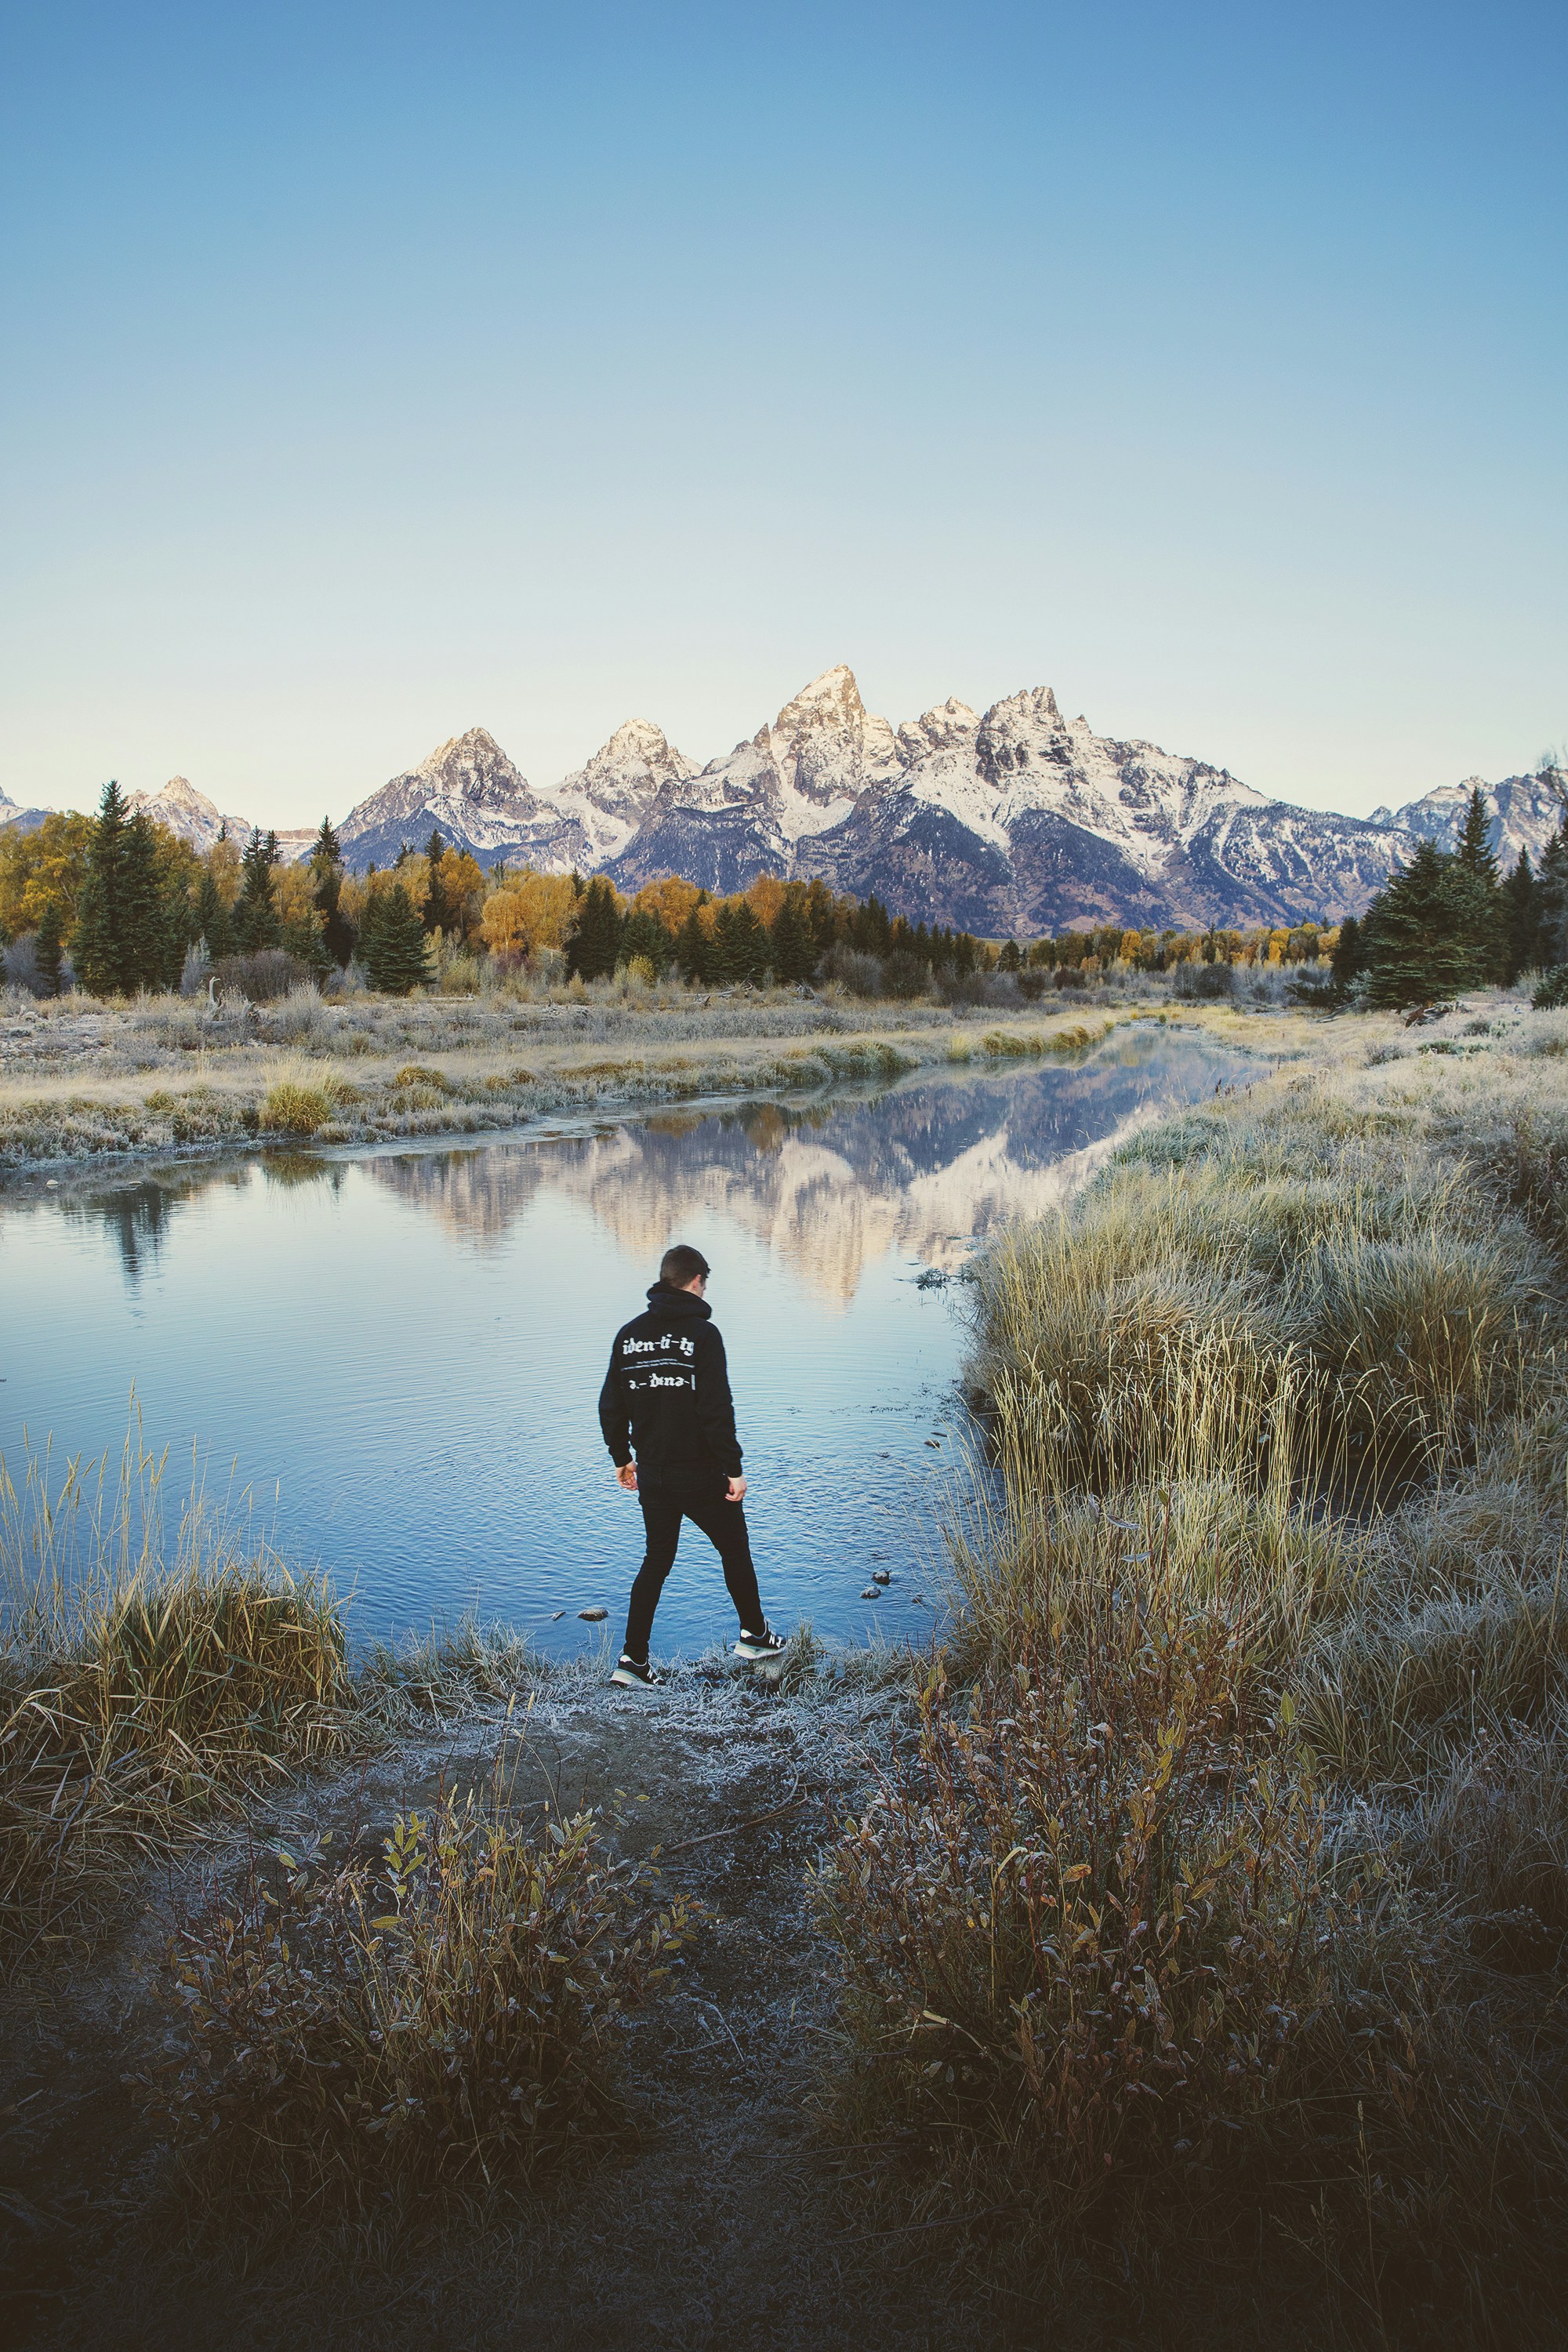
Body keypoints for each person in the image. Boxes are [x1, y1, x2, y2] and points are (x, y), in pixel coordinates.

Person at [597, 1241, 786, 1688]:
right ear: (698, 1281)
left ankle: (632, 1662)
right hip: (702, 1473)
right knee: (734, 1550)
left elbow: (610, 1405)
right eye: (706, 1282)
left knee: (657, 1560)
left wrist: (622, 1458)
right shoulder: (704, 1336)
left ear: (665, 1280)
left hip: (655, 1475)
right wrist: (734, 1469)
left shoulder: (629, 1335)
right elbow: (715, 1409)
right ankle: (756, 1636)